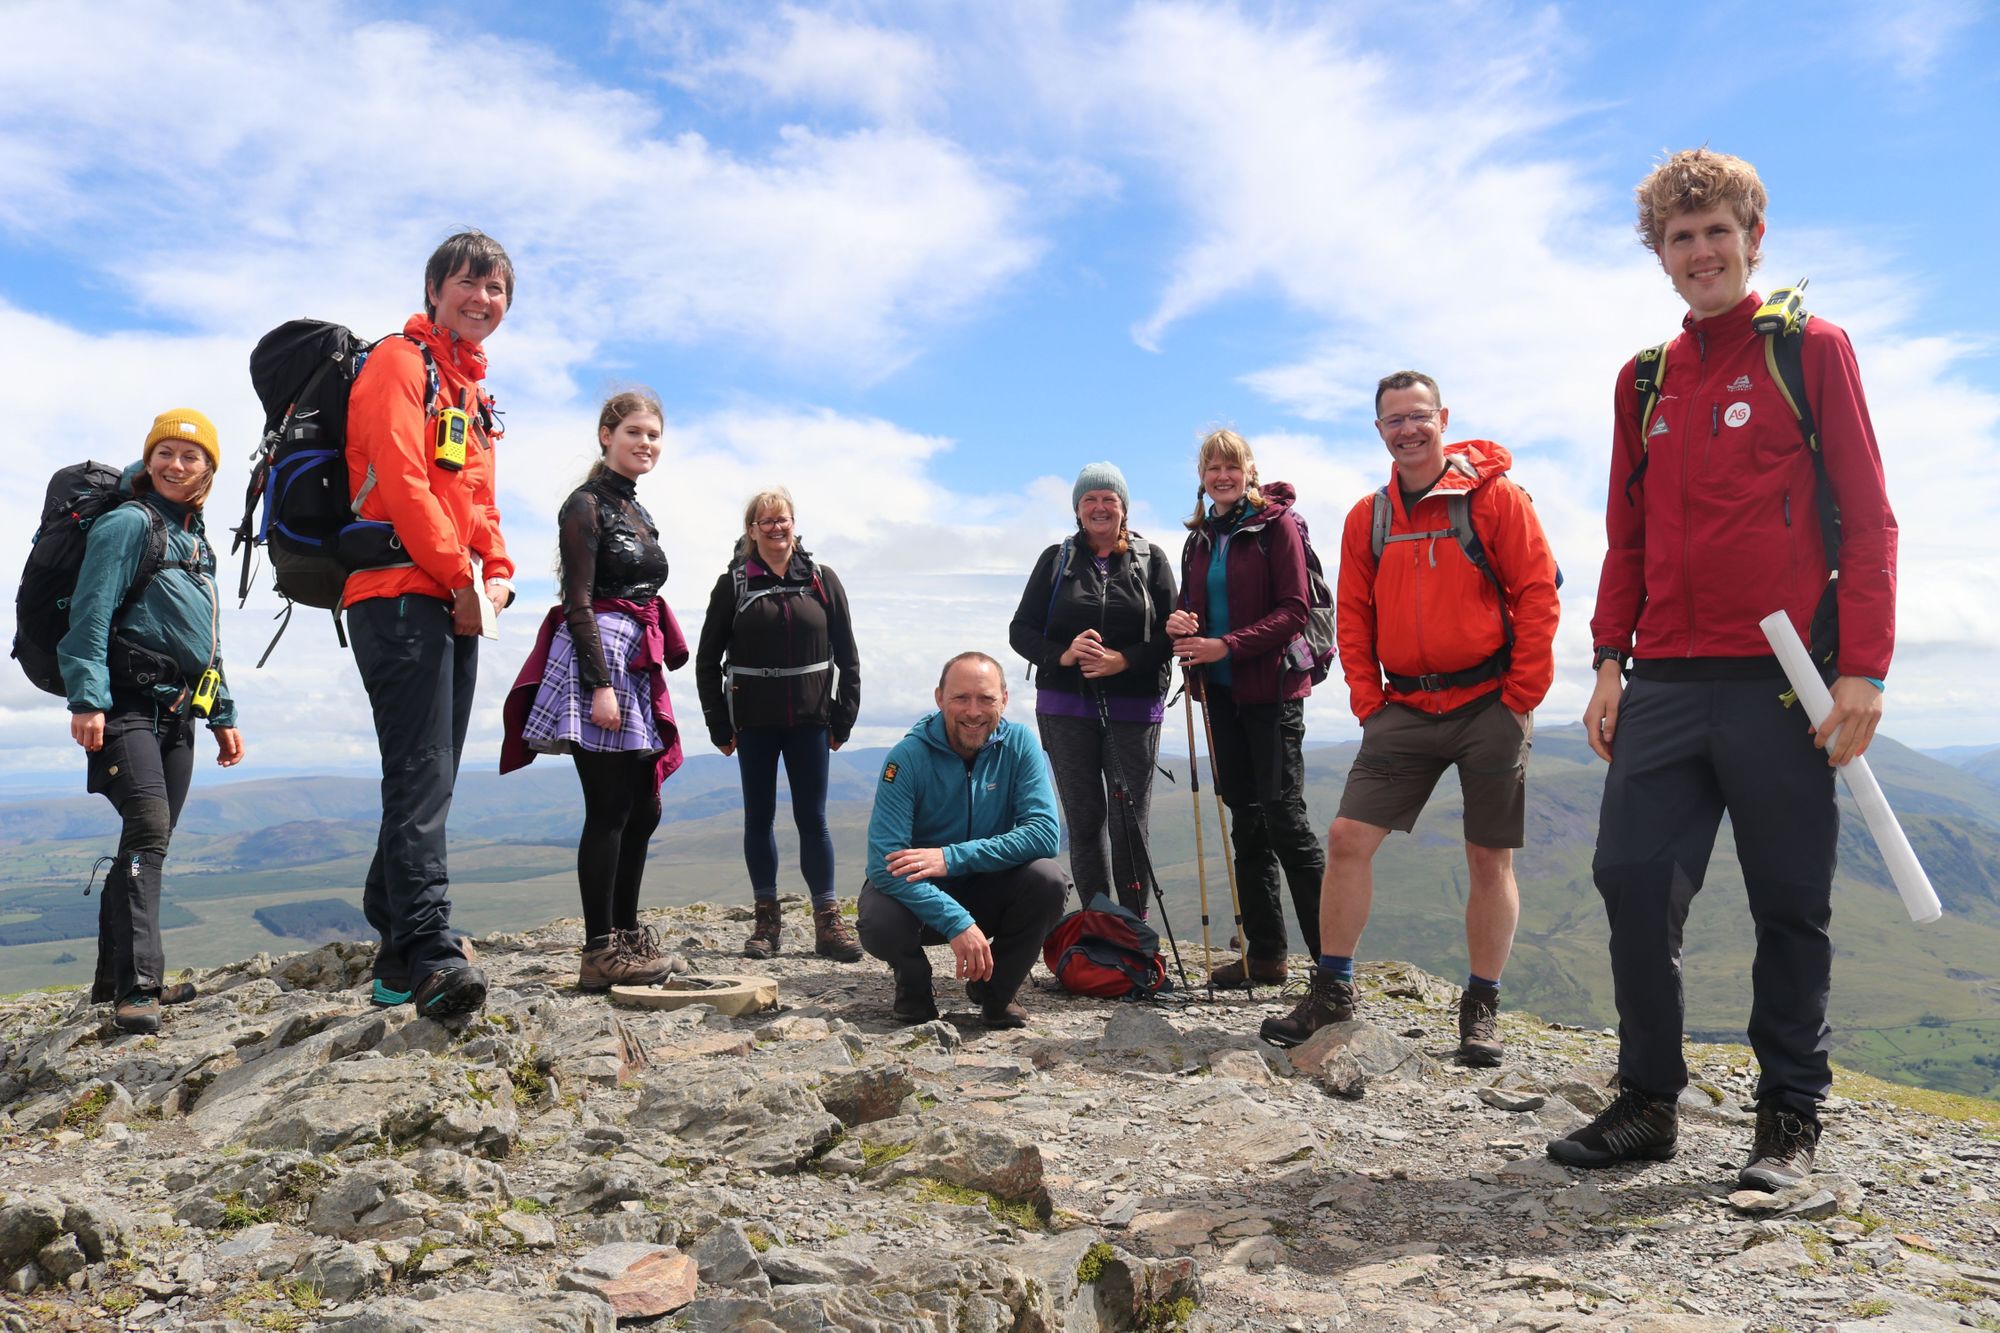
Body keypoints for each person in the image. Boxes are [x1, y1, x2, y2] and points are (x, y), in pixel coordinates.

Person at [1548, 150, 1898, 1190]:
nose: (1699, 250)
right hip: (1662, 678)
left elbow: (1867, 519)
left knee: (1789, 899)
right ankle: (1646, 1102)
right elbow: (1628, 537)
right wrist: (1608, 659)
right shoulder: (1642, 381)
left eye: (1716, 231)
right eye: (1679, 236)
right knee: (1627, 879)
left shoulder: (1809, 351)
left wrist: (1864, 667)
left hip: (1785, 682)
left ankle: (1786, 1115)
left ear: (1753, 236)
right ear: (1657, 256)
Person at [1259, 372, 1559, 1063]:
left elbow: (1537, 591)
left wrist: (1523, 691)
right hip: (1404, 703)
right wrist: (1367, 699)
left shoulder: (1495, 499)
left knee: (1489, 854)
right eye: (1394, 420)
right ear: (1379, 431)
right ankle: (1333, 989)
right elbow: (1355, 613)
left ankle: (1480, 1005)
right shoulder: (1368, 516)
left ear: (1442, 418)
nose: (1408, 430)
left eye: (1418, 416)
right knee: (1346, 837)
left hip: (1490, 698)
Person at [344, 230, 518, 1019]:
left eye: (497, 290)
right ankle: (432, 953)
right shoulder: (396, 362)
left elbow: (477, 498)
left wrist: (500, 571)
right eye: (469, 283)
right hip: (397, 592)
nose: (483, 299)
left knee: (433, 773)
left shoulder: (472, 394)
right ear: (435, 289)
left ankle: (392, 956)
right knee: (419, 770)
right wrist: (460, 574)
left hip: (455, 599)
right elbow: (404, 481)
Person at [57, 409, 246, 1034]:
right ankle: (140, 989)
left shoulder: (197, 542)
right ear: (150, 459)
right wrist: (87, 698)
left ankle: (112, 979)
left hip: (178, 713)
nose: (176, 465)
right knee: (148, 831)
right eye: (165, 452)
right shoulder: (127, 524)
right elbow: (89, 611)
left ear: (209, 470)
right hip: (125, 706)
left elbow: (206, 638)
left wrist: (222, 713)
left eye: (192, 456)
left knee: (143, 842)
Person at [501, 390, 686, 992]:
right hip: (599, 660)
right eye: (634, 432)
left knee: (643, 808)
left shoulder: (636, 510)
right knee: (608, 809)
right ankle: (599, 951)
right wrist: (599, 685)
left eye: (653, 435)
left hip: (633, 658)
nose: (645, 444)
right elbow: (576, 601)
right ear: (606, 434)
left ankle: (629, 937)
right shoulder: (583, 506)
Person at [1164, 430, 1325, 987]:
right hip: (1222, 696)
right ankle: (1267, 956)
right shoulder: (1201, 538)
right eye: (1212, 467)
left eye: (1231, 466)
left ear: (1250, 470)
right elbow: (1193, 605)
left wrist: (1225, 646)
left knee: (1286, 824)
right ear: (1202, 476)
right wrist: (1180, 622)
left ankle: (1333, 965)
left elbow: (1295, 610)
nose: (1221, 476)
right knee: (1247, 825)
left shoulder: (1276, 526)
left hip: (1274, 695)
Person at [695, 487, 863, 963]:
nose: (775, 527)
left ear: (794, 524)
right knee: (759, 819)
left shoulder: (822, 581)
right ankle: (766, 924)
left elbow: (848, 657)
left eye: (783, 519)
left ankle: (828, 924)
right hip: (754, 723)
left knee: (814, 820)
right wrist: (718, 726)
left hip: (811, 720)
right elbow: (707, 661)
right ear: (751, 531)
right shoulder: (733, 584)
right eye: (765, 521)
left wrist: (843, 718)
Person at [857, 652, 1067, 1028]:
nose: (974, 711)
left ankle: (995, 991)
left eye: (986, 699)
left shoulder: (1019, 744)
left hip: (986, 886)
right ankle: (913, 984)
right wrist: (956, 921)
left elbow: (1044, 833)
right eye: (960, 698)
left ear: (1004, 699)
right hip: (921, 896)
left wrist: (951, 858)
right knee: (879, 919)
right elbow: (884, 864)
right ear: (939, 698)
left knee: (1048, 881)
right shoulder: (907, 757)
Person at [1008, 463, 1177, 916]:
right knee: (1083, 823)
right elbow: (1020, 630)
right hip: (1065, 708)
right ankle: (1100, 922)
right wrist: (1063, 654)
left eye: (1109, 499)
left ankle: (1135, 926)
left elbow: (1170, 633)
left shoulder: (1151, 559)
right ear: (1077, 510)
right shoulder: (1056, 560)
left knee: (1128, 822)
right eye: (1090, 500)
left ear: (1124, 509)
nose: (1100, 507)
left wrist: (1124, 660)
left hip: (1135, 707)